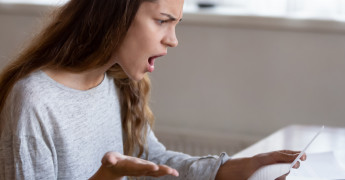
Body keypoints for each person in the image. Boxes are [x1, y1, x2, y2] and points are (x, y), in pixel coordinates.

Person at [0, 0, 306, 179]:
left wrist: (229, 169)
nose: (173, 40)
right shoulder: (35, 101)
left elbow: (154, 159)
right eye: (162, 21)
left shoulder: (118, 81)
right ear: (114, 15)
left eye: (176, 24)